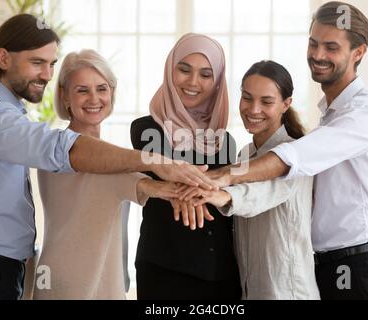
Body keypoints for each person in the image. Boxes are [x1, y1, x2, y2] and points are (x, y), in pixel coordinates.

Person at [0, 14, 214, 300]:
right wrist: (158, 170)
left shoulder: (7, 113)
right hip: (0, 270)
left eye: (51, 64)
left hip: (20, 269)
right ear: (3, 58)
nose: (47, 74)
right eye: (37, 63)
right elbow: (71, 155)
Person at [186, 1, 368, 300]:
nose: (318, 54)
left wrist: (222, 180)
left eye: (331, 47)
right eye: (313, 43)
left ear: (358, 53)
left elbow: (289, 165)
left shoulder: (364, 112)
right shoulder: (330, 114)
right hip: (325, 263)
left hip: (356, 263)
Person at [33, 50, 179, 300]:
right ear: (65, 97)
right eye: (82, 90)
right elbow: (131, 182)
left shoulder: (111, 160)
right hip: (67, 285)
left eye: (102, 88)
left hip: (103, 280)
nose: (94, 98)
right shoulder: (57, 149)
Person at [180, 60, 320, 299]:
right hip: (251, 290)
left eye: (266, 102)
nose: (254, 110)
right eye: (247, 98)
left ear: (286, 104)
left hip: (288, 292)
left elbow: (265, 193)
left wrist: (223, 195)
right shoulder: (245, 153)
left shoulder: (297, 153)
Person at [130, 33, 241, 300]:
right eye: (184, 70)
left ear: (216, 82)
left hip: (221, 272)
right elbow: (170, 167)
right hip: (165, 270)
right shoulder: (147, 129)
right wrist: (194, 187)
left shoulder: (224, 141)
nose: (193, 82)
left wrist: (191, 188)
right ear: (170, 71)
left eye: (205, 74)